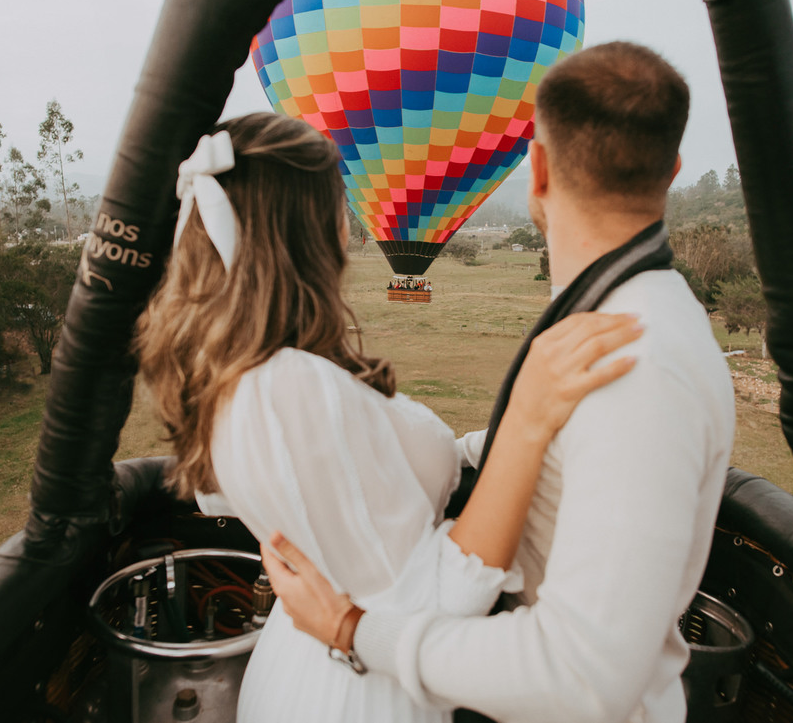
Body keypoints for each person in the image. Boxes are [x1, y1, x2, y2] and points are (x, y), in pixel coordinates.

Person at [262, 42, 737, 723]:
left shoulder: (636, 362)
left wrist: (351, 629)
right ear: (675, 169)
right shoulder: (619, 313)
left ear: (535, 168)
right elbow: (572, 456)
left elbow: (583, 676)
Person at [133, 111, 645, 723]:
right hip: (371, 688)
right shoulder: (290, 389)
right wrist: (530, 419)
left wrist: (489, 445)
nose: (347, 227)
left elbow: (358, 480)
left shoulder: (233, 374)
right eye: (338, 207)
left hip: (302, 665)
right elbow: (444, 596)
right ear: (308, 229)